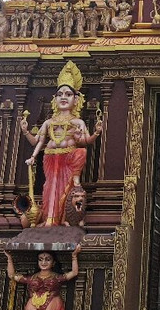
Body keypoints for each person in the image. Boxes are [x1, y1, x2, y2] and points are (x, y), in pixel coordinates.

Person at [20, 61, 103, 226]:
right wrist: (26, 133)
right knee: (49, 188)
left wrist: (96, 132)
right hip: (50, 158)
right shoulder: (49, 122)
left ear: (76, 100)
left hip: (68, 158)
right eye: (59, 94)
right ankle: (49, 219)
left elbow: (85, 142)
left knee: (68, 188)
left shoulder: (78, 122)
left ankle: (66, 218)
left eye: (68, 94)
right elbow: (38, 142)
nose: (63, 97)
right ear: (54, 99)